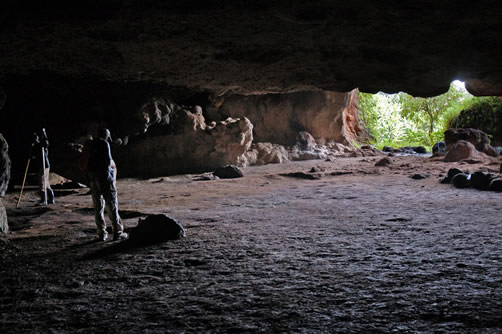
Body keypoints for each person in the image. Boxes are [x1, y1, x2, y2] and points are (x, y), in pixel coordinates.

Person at [82, 128, 127, 241]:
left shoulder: (88, 144)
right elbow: (108, 161)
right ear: (106, 136)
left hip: (92, 178)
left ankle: (101, 233)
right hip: (105, 178)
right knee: (111, 205)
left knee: (98, 207)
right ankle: (117, 231)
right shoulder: (104, 143)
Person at [31, 128, 54, 205]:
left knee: (41, 182)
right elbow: (33, 155)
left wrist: (44, 133)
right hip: (42, 166)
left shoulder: (42, 145)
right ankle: (51, 199)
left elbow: (46, 142)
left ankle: (44, 200)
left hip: (45, 166)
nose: (35, 139)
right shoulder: (37, 146)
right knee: (46, 183)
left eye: (36, 138)